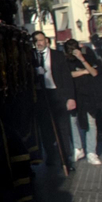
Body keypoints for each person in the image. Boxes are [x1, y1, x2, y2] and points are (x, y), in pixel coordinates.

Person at [32, 31, 73, 170]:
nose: (39, 43)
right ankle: (51, 155)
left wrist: (70, 98)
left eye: (41, 40)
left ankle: (66, 158)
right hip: (41, 95)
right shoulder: (32, 56)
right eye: (36, 40)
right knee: (46, 128)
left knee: (63, 127)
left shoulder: (57, 55)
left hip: (57, 93)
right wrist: (35, 73)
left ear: (47, 41)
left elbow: (66, 77)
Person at [63, 38, 102, 165]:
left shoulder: (88, 58)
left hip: (89, 95)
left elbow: (94, 72)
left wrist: (83, 60)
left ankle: (91, 152)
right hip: (74, 95)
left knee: (91, 123)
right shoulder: (65, 61)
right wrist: (84, 71)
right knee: (73, 121)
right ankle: (78, 148)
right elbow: (66, 75)